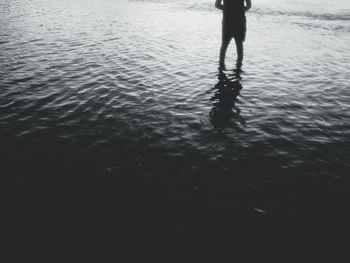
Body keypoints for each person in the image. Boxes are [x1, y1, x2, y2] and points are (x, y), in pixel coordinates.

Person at [215, 0, 252, 70]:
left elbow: (217, 5)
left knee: (224, 45)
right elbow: (248, 6)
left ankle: (221, 67)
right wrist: (239, 10)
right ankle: (239, 68)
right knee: (239, 45)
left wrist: (227, 9)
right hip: (239, 20)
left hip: (227, 20)